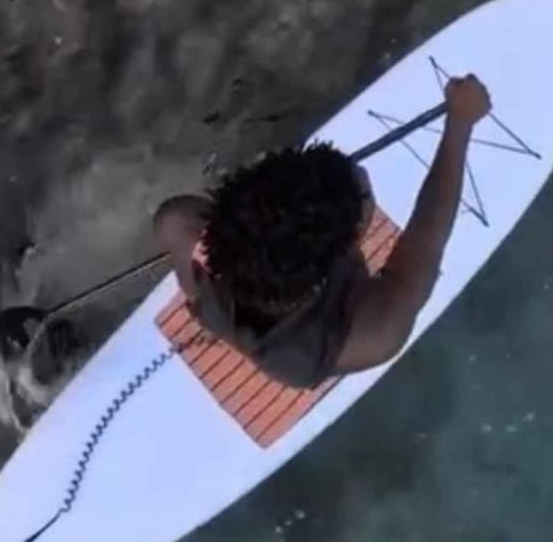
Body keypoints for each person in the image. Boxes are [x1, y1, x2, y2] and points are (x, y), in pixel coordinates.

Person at [153, 75, 492, 389]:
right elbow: (428, 234)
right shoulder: (377, 331)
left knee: (175, 220)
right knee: (379, 340)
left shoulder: (200, 243)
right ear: (339, 259)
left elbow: (176, 219)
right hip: (299, 357)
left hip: (227, 306)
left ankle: (206, 301)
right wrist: (460, 125)